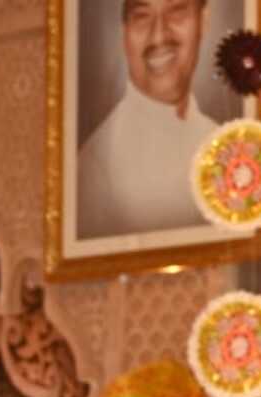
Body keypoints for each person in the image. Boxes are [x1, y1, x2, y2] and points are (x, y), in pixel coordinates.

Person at [77, 0, 218, 238]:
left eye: (176, 13)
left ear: (203, 21)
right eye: (142, 17)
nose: (159, 35)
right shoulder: (97, 167)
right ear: (124, 35)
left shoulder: (223, 141)